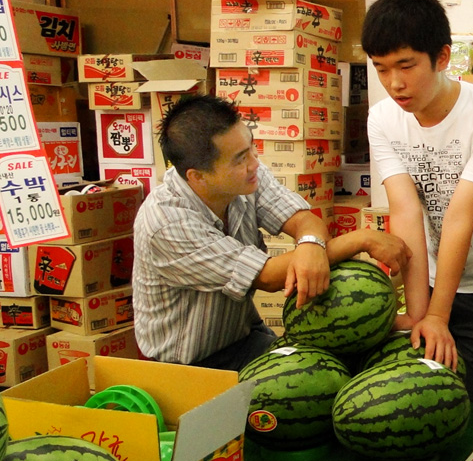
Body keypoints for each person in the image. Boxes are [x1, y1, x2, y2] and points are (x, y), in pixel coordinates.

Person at [133, 94, 411, 371]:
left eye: (251, 148)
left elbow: (303, 219)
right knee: (317, 383)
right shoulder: (167, 223)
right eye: (240, 159)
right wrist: (361, 238)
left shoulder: (245, 175)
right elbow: (266, 276)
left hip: (244, 338)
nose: (254, 163)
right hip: (188, 366)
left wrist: (311, 244)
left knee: (349, 363)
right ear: (198, 176)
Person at [362, 0, 473, 405]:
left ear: (441, 57)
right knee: (428, 403)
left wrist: (439, 315)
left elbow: (459, 216)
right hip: (431, 276)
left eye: (406, 65)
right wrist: (422, 314)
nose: (394, 83)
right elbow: (405, 210)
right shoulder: (382, 119)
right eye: (381, 69)